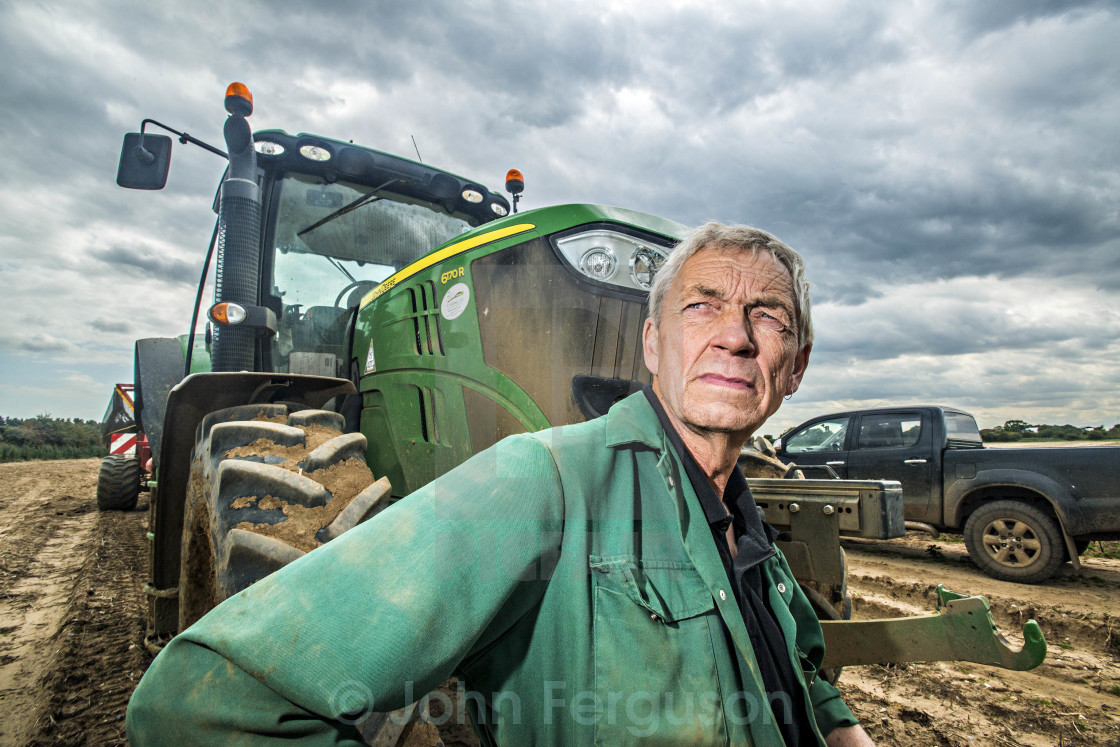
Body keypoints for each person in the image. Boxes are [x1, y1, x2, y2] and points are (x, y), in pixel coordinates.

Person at [127, 222, 873, 745]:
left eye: (764, 315)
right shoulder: (540, 480)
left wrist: (839, 726)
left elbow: (797, 664)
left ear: (796, 366)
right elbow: (203, 698)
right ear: (652, 342)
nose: (735, 336)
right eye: (702, 305)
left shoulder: (748, 535)